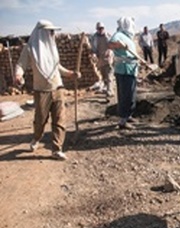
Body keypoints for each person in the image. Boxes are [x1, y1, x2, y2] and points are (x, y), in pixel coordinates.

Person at [14, 20, 81, 160]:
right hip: (41, 91)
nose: (53, 34)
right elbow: (21, 64)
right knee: (40, 120)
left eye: (53, 31)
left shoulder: (52, 47)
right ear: (42, 33)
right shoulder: (30, 48)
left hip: (58, 88)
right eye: (50, 31)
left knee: (59, 120)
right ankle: (36, 138)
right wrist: (18, 75)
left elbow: (57, 67)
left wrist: (71, 73)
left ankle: (56, 149)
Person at [108, 17, 139, 129]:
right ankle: (122, 120)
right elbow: (110, 44)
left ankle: (128, 115)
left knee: (131, 94)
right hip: (124, 69)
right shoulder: (119, 35)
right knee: (125, 94)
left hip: (131, 69)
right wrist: (120, 45)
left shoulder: (128, 37)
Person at [90, 22, 114, 97]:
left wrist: (110, 50)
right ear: (97, 29)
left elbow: (112, 46)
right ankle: (107, 88)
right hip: (100, 59)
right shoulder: (94, 37)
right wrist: (94, 54)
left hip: (108, 58)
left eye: (102, 28)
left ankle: (109, 91)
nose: (101, 30)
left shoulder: (108, 36)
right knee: (104, 77)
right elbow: (93, 48)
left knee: (109, 75)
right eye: (99, 28)